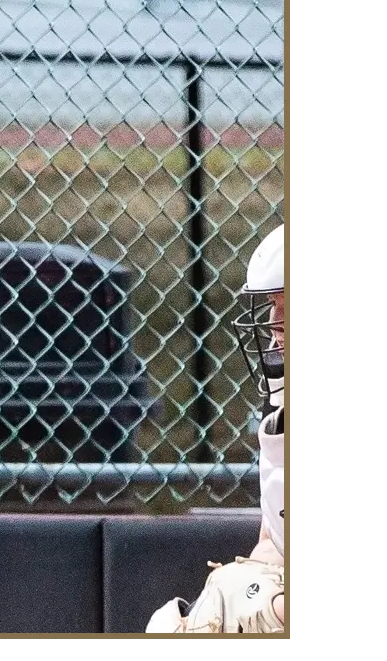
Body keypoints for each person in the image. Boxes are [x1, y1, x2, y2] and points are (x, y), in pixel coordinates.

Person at [146, 225, 286, 633]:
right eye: (272, 306)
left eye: (288, 306)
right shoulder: (282, 404)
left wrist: (273, 612)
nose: (273, 325)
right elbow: (274, 541)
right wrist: (239, 591)